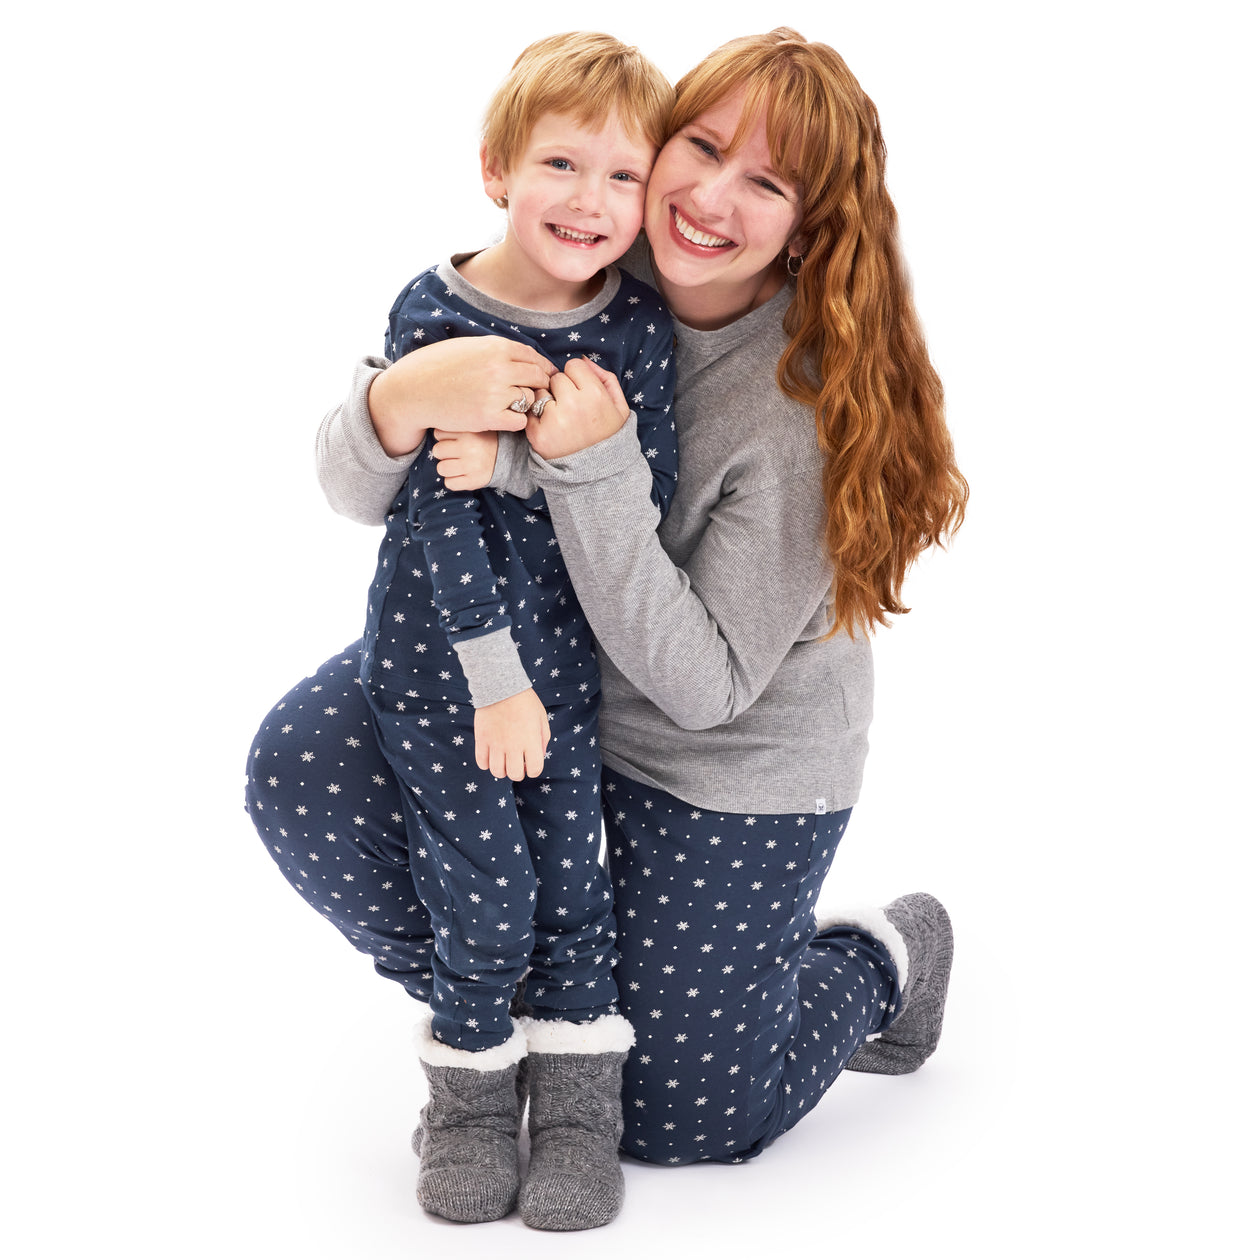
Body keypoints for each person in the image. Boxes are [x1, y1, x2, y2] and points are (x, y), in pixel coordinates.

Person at [246, 22, 965, 1212]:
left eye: (767, 181)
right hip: (527, 683)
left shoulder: (800, 409)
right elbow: (363, 492)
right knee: (306, 764)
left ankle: (879, 957)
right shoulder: (585, 251)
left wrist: (588, 469)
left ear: (810, 222)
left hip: (715, 760)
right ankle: (521, 1014)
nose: (708, 197)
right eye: (700, 145)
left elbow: (704, 686)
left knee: (680, 1124)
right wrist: (397, 398)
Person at [261, 32, 678, 1231]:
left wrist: (515, 461)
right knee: (482, 887)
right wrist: (496, 682)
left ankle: (581, 1115)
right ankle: (472, 1106)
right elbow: (436, 523)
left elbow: (638, 485)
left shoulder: (635, 328)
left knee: (569, 889)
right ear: (497, 169)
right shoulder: (434, 307)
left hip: (569, 672)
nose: (589, 201)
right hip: (445, 669)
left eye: (621, 177)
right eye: (561, 163)